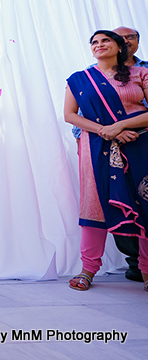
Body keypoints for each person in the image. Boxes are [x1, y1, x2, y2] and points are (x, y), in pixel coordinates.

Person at [63, 29, 148, 291]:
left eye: (105, 40)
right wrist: (106, 130)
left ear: (120, 46)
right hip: (96, 145)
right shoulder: (79, 79)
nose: (99, 45)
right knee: (94, 203)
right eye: (94, 42)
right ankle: (88, 269)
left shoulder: (140, 73)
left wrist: (120, 126)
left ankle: (146, 272)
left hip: (139, 143)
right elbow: (70, 115)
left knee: (145, 203)